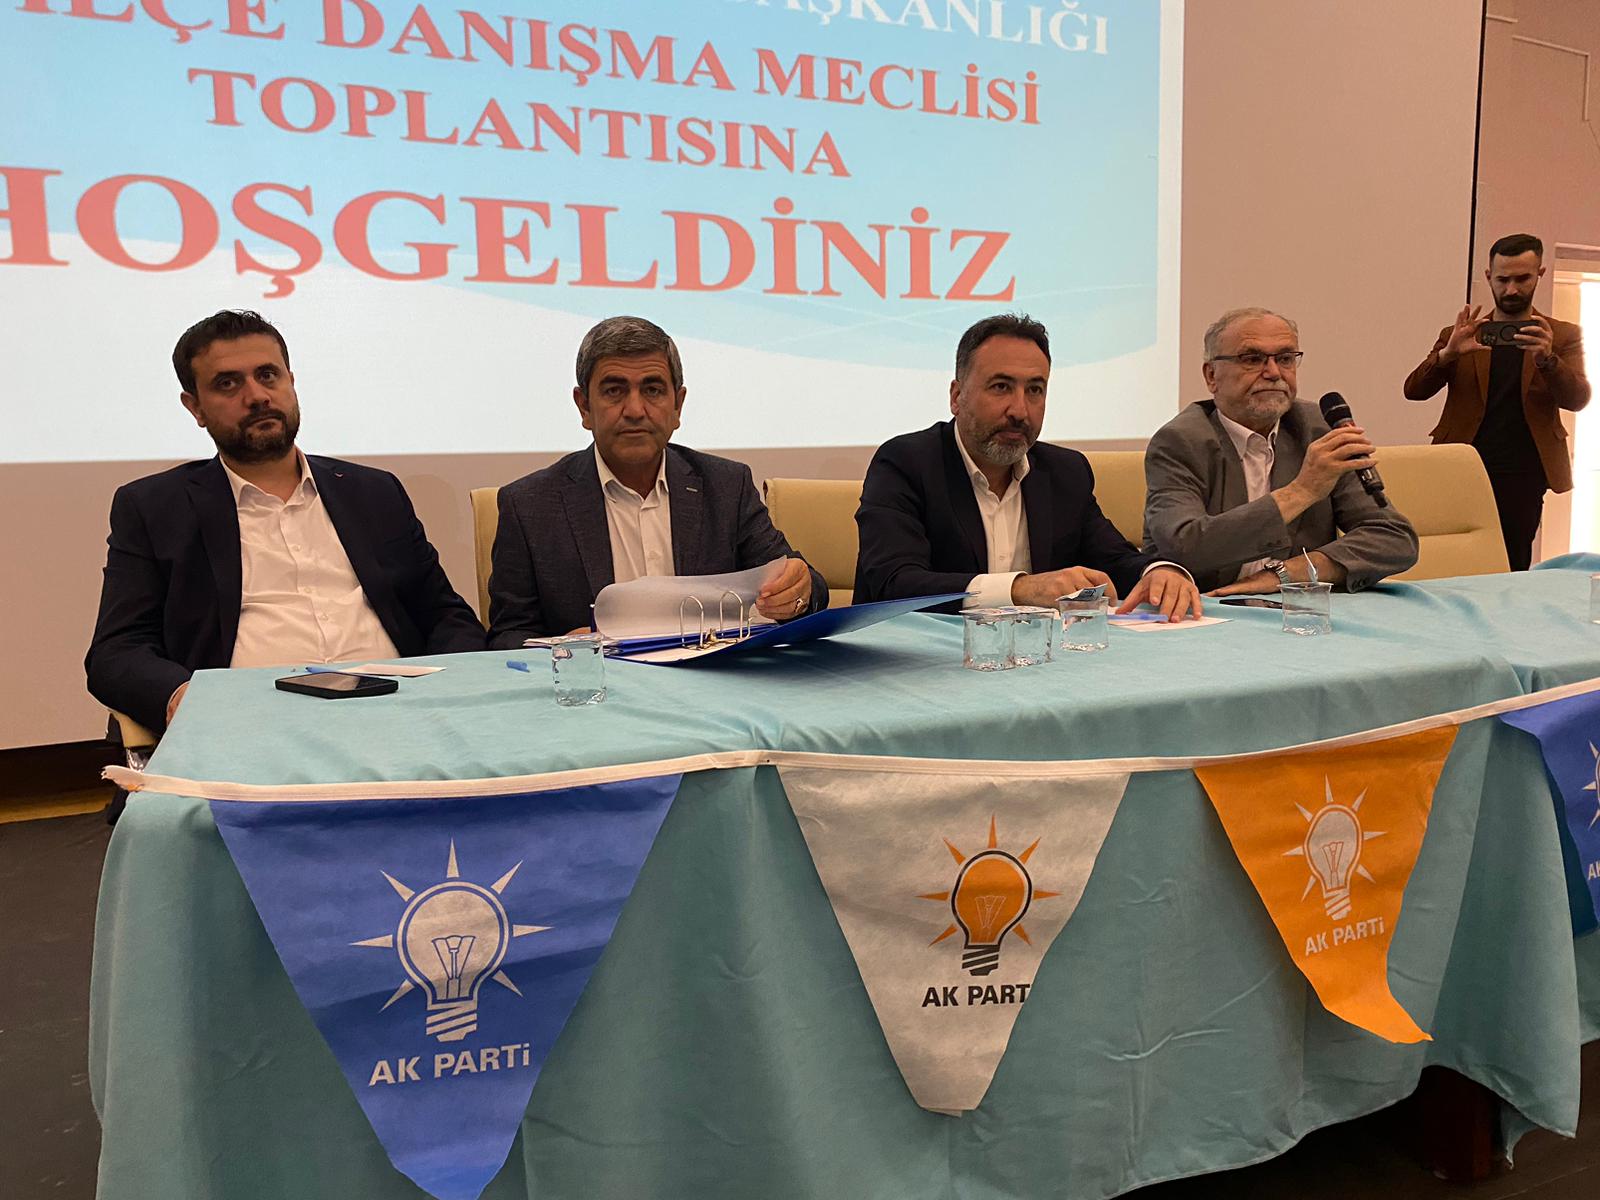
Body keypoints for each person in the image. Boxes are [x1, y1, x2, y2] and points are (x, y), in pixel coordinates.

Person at [85, 310, 486, 735]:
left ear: (291, 382)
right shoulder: (155, 507)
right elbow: (117, 651)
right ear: (195, 407)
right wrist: (183, 695)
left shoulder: (373, 492)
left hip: (400, 714)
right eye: (228, 384)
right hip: (250, 727)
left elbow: (445, 615)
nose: (257, 396)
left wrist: (446, 686)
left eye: (268, 375)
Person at [487, 316, 826, 646]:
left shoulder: (726, 487)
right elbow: (507, 636)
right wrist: (562, 647)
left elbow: (806, 586)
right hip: (597, 681)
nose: (635, 410)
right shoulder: (529, 505)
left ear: (678, 405)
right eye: (614, 390)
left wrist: (798, 592)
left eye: (652, 390)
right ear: (584, 407)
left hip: (712, 678)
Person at [853, 312, 1202, 619]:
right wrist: (1020, 589)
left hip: (1036, 659)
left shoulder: (1065, 472)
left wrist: (1158, 572)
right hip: (921, 659)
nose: (1020, 411)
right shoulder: (906, 463)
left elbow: (1114, 559)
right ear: (957, 397)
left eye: (1035, 390)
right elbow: (894, 584)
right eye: (1001, 387)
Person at [1144, 307, 1418, 594]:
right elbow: (1184, 547)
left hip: (1299, 607)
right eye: (1252, 359)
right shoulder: (1180, 441)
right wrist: (1302, 491)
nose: (1274, 373)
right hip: (1211, 607)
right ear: (1212, 375)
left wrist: (1285, 575)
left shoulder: (1317, 428)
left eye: (1285, 359)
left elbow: (1394, 538)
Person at [1403, 233, 1590, 570]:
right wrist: (1447, 355)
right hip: (1461, 464)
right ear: (1489, 277)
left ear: (1540, 274)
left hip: (1525, 471)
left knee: (1513, 563)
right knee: (1452, 561)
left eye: (1523, 279)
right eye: (1503, 280)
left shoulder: (1561, 336)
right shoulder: (1460, 334)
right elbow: (1414, 390)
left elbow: (1577, 399)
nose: (1512, 290)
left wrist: (1548, 360)